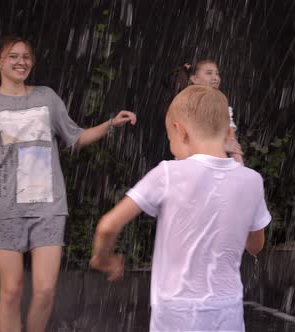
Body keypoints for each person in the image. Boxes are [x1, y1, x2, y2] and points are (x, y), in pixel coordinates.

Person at [0, 34, 136, 332]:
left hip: (48, 206)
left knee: (46, 291)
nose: (20, 62)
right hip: (4, 208)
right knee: (11, 292)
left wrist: (111, 123)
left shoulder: (46, 97)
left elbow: (76, 137)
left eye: (25, 56)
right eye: (13, 56)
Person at [90, 85, 271, 331]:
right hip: (227, 312)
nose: (171, 145)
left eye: (169, 138)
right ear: (229, 133)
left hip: (176, 313)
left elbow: (107, 226)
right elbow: (255, 245)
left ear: (179, 130)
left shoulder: (168, 173)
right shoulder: (251, 181)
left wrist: (105, 259)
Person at [172, 60, 245, 163]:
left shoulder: (223, 108)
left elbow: (233, 146)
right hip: (190, 167)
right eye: (209, 73)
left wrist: (240, 171)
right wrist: (221, 146)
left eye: (217, 74)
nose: (215, 78)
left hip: (216, 168)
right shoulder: (186, 105)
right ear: (194, 79)